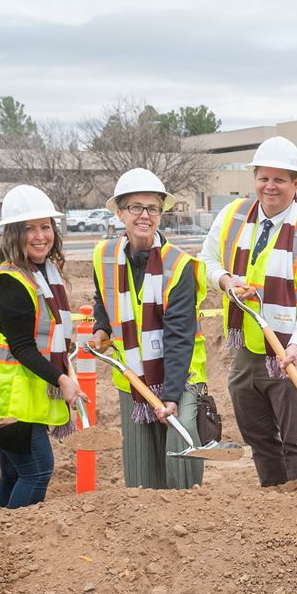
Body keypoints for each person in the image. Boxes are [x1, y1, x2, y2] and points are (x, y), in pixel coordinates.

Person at [201, 136, 297, 486]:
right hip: (248, 348)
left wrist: (296, 346)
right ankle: (276, 502)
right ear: (255, 179)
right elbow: (206, 260)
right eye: (264, 177)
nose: (270, 186)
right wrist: (226, 280)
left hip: (295, 351)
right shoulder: (232, 216)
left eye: (280, 179)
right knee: (258, 436)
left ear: (296, 183)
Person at [0, 185, 82, 508]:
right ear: (14, 234)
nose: (40, 236)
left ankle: (1, 537)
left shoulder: (42, 274)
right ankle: (14, 541)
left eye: (45, 227)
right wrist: (62, 379)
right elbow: (24, 348)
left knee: (14, 474)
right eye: (30, 229)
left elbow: (47, 337)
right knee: (39, 470)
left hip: (18, 398)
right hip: (3, 400)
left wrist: (65, 368)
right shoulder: (12, 281)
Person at [90, 168, 209, 489]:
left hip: (181, 376)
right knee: (141, 468)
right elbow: (103, 296)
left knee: (179, 442)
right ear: (120, 212)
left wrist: (170, 395)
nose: (145, 216)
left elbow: (180, 336)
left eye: (153, 209)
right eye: (136, 208)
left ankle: (188, 508)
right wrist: (101, 327)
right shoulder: (104, 256)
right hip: (132, 376)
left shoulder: (179, 266)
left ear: (161, 214)